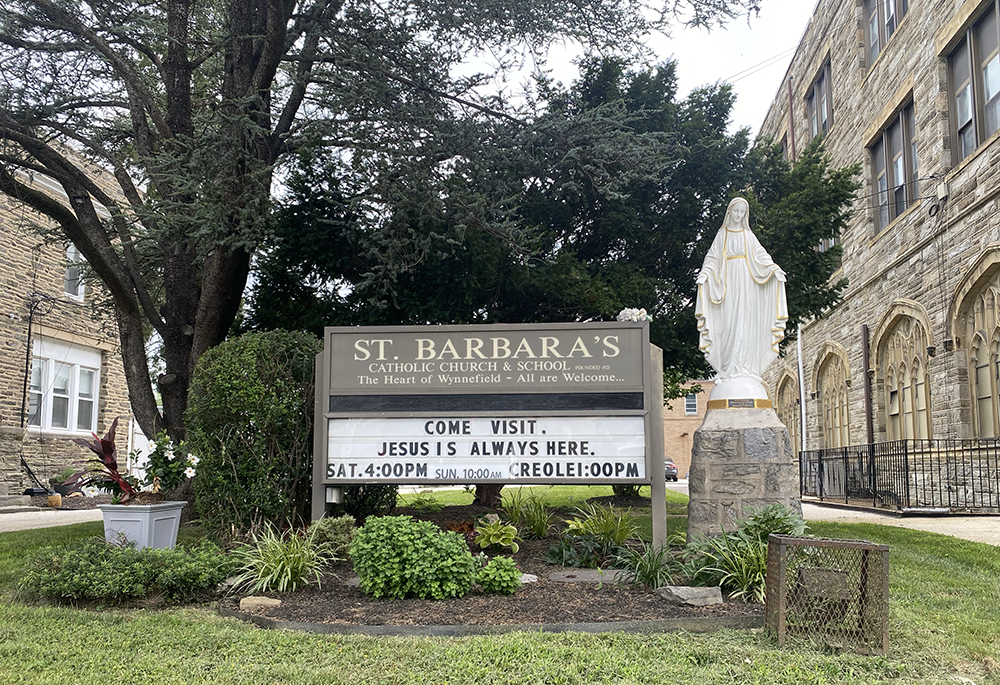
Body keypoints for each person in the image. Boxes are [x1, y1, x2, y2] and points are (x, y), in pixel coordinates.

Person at [695, 197, 787, 395]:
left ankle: (745, 368)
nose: (738, 215)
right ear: (729, 212)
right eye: (736, 211)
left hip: (746, 283)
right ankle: (728, 368)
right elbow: (712, 259)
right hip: (727, 284)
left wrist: (774, 270)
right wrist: (704, 275)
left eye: (742, 212)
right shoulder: (722, 235)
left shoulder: (748, 235)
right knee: (729, 324)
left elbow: (762, 256)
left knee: (745, 323)